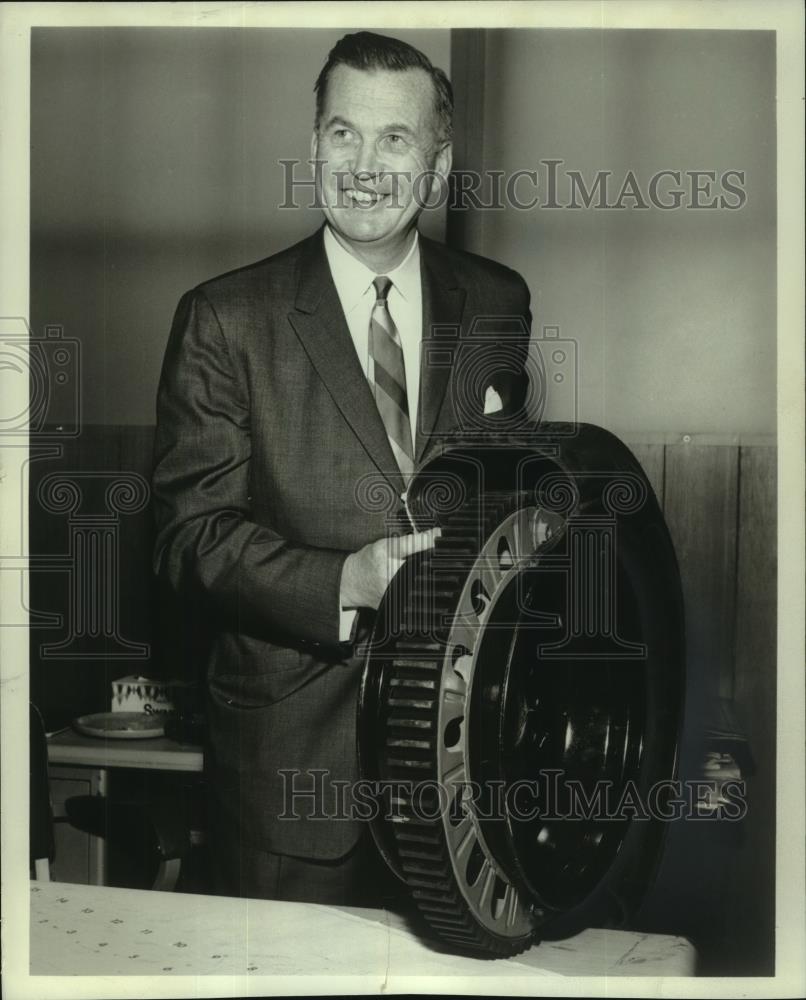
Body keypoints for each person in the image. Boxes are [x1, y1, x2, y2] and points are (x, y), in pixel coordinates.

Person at [151, 31, 532, 907]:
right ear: (313, 144)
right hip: (289, 785)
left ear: (437, 165)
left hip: (461, 777)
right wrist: (346, 583)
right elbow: (188, 540)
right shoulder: (224, 318)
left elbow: (501, 500)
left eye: (395, 138)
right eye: (341, 133)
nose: (364, 164)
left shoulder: (498, 302)